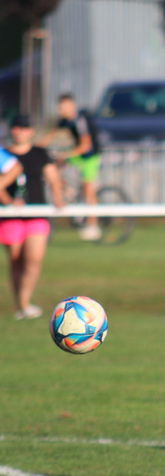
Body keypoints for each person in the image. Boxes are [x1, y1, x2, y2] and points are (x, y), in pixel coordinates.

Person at [0, 115, 65, 319]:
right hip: (11, 215)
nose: (19, 131)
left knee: (33, 259)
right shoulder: (4, 154)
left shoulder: (39, 153)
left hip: (37, 212)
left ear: (31, 131)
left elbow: (53, 178)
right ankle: (21, 305)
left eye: (24, 127)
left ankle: (25, 302)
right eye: (16, 127)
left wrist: (58, 198)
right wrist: (9, 201)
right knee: (16, 259)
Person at [39, 93, 101, 240]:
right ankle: (67, 191)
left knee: (88, 189)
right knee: (53, 167)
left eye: (63, 107)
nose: (60, 110)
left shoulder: (81, 120)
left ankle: (93, 225)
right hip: (78, 154)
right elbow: (49, 137)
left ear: (72, 106)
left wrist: (66, 155)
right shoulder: (63, 120)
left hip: (90, 156)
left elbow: (86, 146)